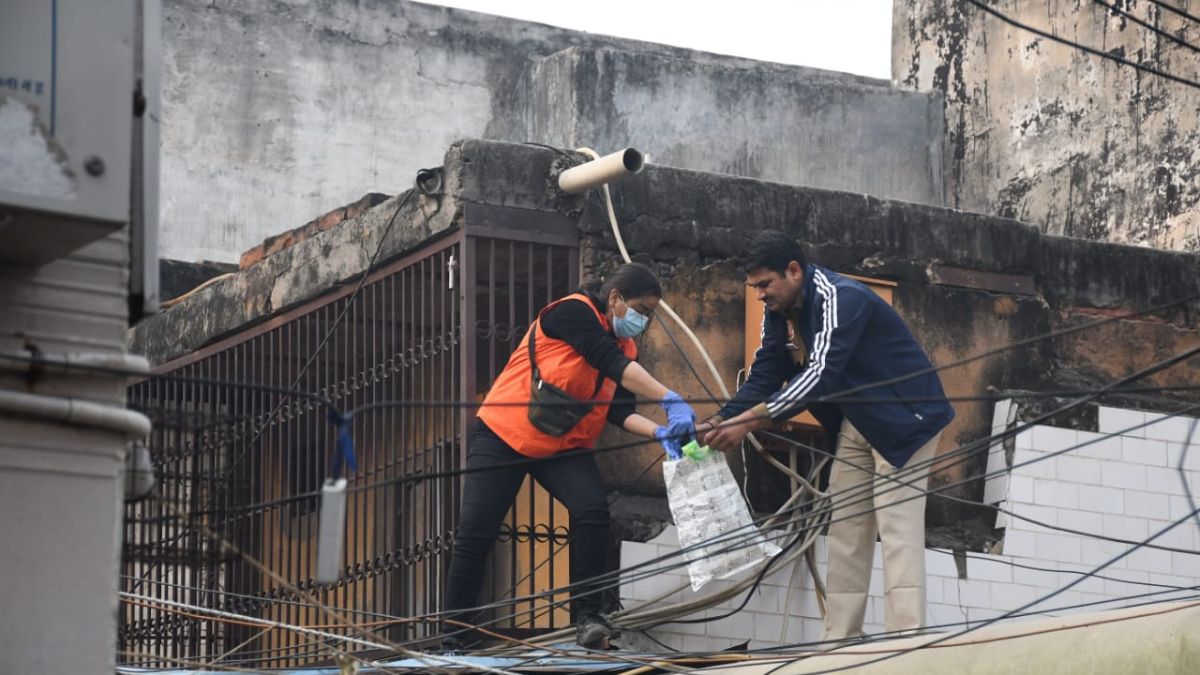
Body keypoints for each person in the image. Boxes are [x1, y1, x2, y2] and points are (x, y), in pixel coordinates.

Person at [700, 230, 954, 640]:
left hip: (908, 419)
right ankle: (840, 642)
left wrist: (749, 421)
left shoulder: (841, 297)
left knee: (896, 529)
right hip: (858, 421)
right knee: (846, 531)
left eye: (765, 285)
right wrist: (723, 417)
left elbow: (820, 374)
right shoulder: (780, 311)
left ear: (794, 270)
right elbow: (767, 370)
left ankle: (906, 641)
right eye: (755, 288)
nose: (761, 295)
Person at [444, 262, 697, 650]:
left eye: (649, 315)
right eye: (642, 311)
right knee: (476, 533)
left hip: (562, 446)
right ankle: (451, 636)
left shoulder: (624, 347)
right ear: (615, 299)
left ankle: (588, 618)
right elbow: (606, 360)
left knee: (592, 512)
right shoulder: (573, 312)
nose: (644, 322)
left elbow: (618, 410)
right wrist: (668, 397)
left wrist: (659, 432)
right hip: (503, 434)